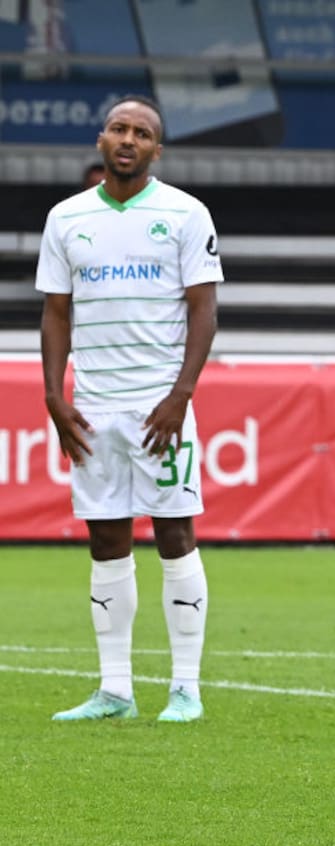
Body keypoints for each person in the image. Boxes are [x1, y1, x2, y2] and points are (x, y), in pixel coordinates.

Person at [36, 95, 223, 724]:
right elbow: (55, 312)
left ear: (156, 151)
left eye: (142, 133)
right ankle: (115, 690)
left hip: (159, 405)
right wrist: (55, 395)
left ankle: (185, 688)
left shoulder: (185, 213)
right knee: (106, 536)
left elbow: (204, 309)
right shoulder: (66, 218)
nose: (128, 139)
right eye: (119, 128)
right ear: (101, 140)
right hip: (94, 407)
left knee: (175, 532)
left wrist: (180, 396)